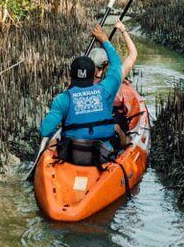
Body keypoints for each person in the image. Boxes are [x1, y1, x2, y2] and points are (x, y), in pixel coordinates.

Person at [38, 25, 122, 161]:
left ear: (71, 76)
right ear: (93, 74)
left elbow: (45, 130)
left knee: (54, 142)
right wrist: (104, 40)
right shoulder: (105, 90)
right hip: (103, 155)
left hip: (72, 156)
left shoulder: (62, 99)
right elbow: (116, 66)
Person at [88, 19, 138, 149]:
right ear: (105, 66)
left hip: (89, 130)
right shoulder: (113, 79)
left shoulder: (80, 82)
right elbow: (132, 55)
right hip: (105, 128)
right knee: (117, 126)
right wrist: (123, 30)